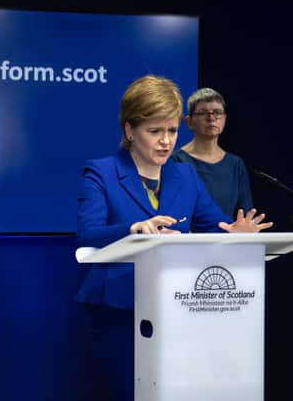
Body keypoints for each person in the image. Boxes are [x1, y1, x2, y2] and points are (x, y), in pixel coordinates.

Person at [75, 75, 272, 401]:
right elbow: (87, 236)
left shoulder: (184, 174)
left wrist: (235, 232)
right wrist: (134, 228)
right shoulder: (101, 172)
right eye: (155, 131)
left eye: (172, 131)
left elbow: (215, 225)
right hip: (119, 310)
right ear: (129, 130)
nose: (166, 141)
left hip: (182, 307)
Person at [172, 87, 252, 219]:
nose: (211, 118)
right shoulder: (176, 161)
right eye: (203, 113)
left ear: (225, 119)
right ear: (189, 122)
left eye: (217, 112)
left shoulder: (235, 164)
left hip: (230, 238)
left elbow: (245, 213)